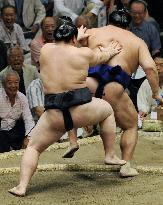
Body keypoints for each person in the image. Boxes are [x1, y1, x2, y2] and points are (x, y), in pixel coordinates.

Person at [8, 21, 125, 196]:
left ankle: (22, 186)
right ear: (73, 39)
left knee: (33, 147)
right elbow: (101, 57)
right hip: (81, 110)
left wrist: (73, 38)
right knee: (107, 110)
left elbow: (62, 50)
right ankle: (109, 154)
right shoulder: (83, 54)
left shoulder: (46, 49)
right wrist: (110, 50)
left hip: (53, 115)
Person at [75, 9, 163, 177]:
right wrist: (156, 93)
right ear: (128, 26)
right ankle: (126, 165)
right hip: (113, 89)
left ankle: (72, 139)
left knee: (87, 115)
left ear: (109, 21)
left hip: (87, 83)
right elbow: (151, 68)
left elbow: (69, 51)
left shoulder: (93, 32)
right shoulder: (137, 41)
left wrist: (79, 41)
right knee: (130, 125)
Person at [0, 70, 35, 153]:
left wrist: (28, 137)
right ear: (3, 84)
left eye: (16, 82)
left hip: (14, 133)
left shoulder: (22, 97)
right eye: (9, 83)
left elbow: (28, 120)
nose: (13, 86)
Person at [137, 50, 163, 126]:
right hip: (154, 121)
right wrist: (143, 112)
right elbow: (143, 105)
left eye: (161, 65)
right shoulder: (146, 83)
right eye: (155, 65)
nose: (157, 68)